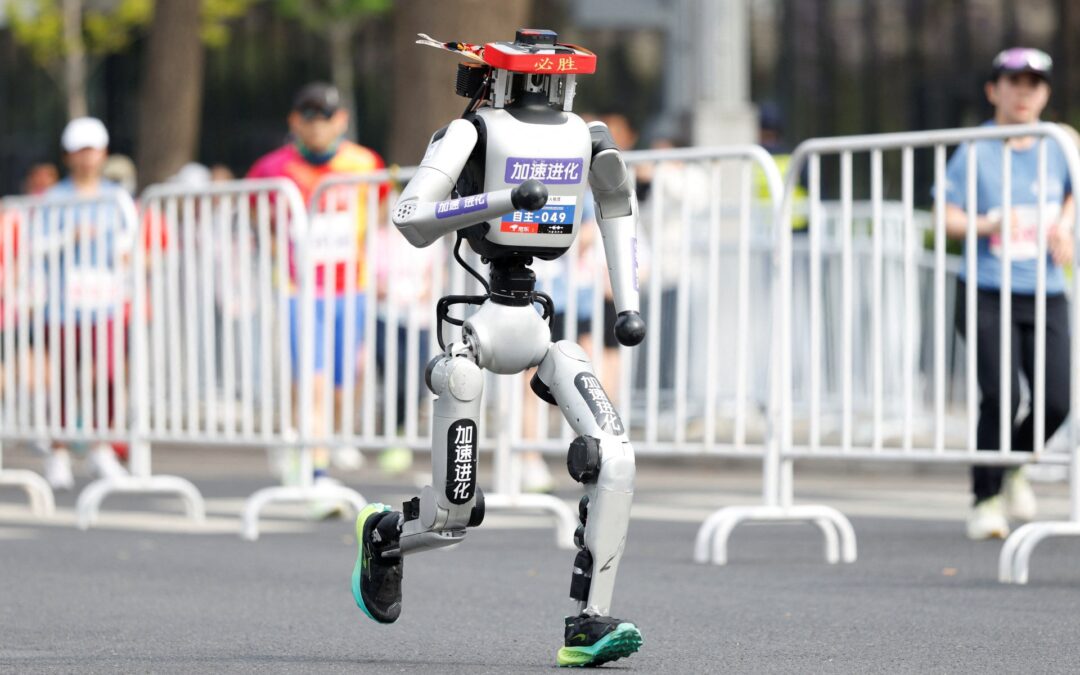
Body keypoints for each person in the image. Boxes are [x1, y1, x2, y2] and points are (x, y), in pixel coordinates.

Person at [943, 47, 1074, 540]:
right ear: (993, 89)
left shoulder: (1060, 144)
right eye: (1014, 82)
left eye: (1033, 83)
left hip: (1045, 289)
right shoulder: (974, 148)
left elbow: (1072, 193)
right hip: (986, 288)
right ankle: (986, 498)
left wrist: (1064, 223)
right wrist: (987, 224)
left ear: (1045, 93)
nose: (1024, 92)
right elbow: (948, 214)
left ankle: (1015, 465)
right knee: (1000, 395)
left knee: (1056, 400)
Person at [247, 83, 390, 486]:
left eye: (324, 117)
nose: (315, 126)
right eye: (307, 117)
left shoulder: (365, 163)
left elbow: (379, 210)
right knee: (312, 378)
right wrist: (280, 247)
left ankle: (323, 439)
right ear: (294, 121)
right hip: (300, 289)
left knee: (346, 379)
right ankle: (314, 466)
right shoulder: (272, 167)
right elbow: (255, 212)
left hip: (350, 287)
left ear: (340, 121)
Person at [41, 117, 131, 489]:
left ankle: (101, 447)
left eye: (92, 150)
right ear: (68, 156)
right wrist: (69, 236)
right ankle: (58, 451)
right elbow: (37, 245)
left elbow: (131, 243)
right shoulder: (53, 199)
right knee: (64, 379)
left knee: (108, 376)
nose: (87, 158)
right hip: (64, 306)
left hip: (104, 303)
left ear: (103, 153)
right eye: (80, 151)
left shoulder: (117, 196)